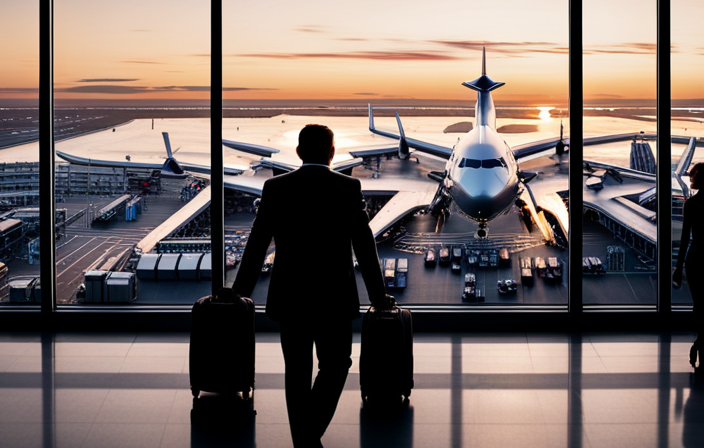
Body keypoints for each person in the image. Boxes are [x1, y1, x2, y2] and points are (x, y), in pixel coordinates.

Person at [233, 124, 392, 448]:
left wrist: (240, 292)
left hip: (290, 297)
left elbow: (257, 244)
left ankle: (302, 439)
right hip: (334, 297)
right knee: (336, 365)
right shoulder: (348, 187)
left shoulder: (276, 187)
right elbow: (365, 246)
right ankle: (308, 436)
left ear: (299, 152)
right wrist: (378, 295)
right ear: (332, 152)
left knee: (297, 371)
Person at [674, 162, 704, 368]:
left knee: (700, 305)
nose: (690, 179)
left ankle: (700, 343)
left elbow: (685, 238)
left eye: (692, 177)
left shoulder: (692, 204)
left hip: (696, 258)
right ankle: (700, 343)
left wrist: (678, 266)